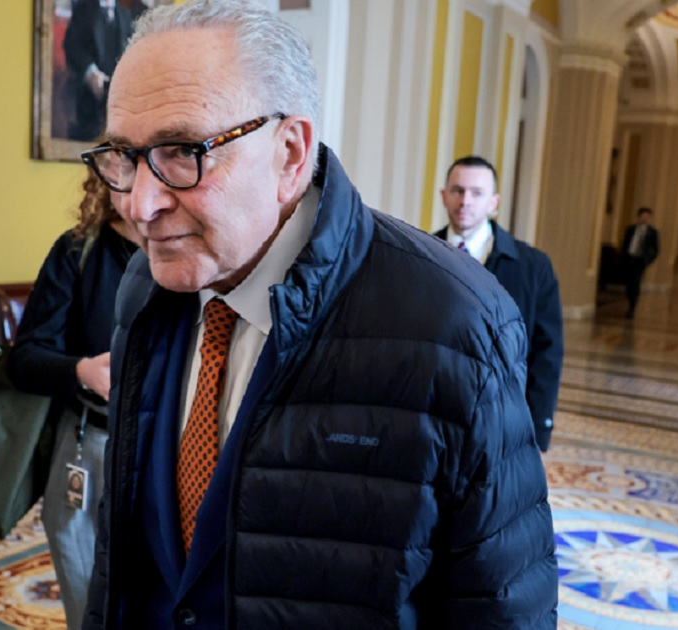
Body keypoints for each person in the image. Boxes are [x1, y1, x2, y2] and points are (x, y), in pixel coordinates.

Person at [81, 1, 557, 627]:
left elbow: (501, 608)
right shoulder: (146, 286)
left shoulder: (455, 322)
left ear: (289, 152)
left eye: (182, 151)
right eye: (124, 155)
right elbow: (122, 555)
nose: (140, 206)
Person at [6, 170, 140, 629]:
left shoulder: (190, 253)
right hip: (88, 444)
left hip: (172, 451)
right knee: (86, 598)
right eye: (124, 163)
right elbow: (24, 360)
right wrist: (81, 370)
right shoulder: (77, 251)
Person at [434, 156, 564, 452]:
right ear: (444, 196)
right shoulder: (417, 254)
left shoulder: (534, 267)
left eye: (477, 193)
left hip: (503, 419)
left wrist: (537, 427)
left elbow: (547, 353)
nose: (465, 201)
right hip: (435, 415)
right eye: (457, 190)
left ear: (494, 202)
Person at [63, 0, 149, 141]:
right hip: (87, 95)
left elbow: (131, 52)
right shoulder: (83, 10)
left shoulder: (124, 14)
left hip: (116, 94)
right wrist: (90, 72)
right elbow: (73, 45)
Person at [620, 207, 659, 318]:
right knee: (629, 282)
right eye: (643, 216)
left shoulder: (652, 232)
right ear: (639, 217)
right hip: (629, 258)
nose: (645, 218)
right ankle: (629, 297)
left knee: (636, 282)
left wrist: (649, 260)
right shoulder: (631, 229)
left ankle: (632, 307)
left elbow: (656, 249)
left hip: (640, 260)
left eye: (647, 217)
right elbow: (625, 243)